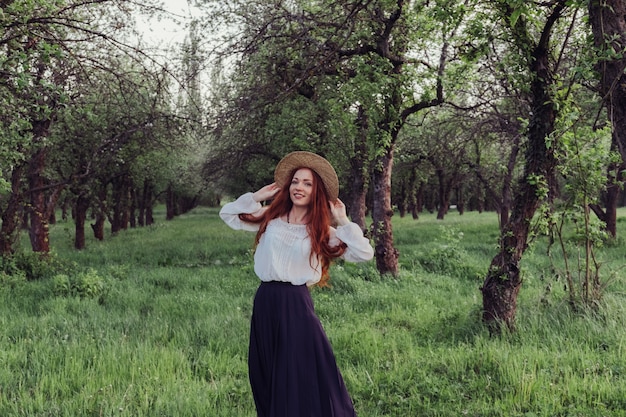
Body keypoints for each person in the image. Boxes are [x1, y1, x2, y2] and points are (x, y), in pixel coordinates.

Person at [219, 151, 374, 417]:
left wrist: (342, 220)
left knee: (301, 372)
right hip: (266, 301)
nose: (299, 187)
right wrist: (256, 198)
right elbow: (228, 215)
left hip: (296, 305)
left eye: (307, 183)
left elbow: (363, 253)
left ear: (317, 192)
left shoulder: (322, 230)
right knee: (268, 373)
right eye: (295, 181)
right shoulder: (270, 219)